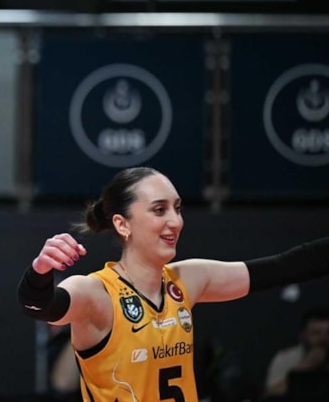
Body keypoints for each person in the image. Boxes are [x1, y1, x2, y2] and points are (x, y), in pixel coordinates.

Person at [17, 166, 329, 402]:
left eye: (177, 208)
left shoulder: (188, 279)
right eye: (159, 210)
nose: (176, 221)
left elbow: (285, 267)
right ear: (122, 224)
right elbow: (38, 306)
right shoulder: (97, 292)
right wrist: (40, 269)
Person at [264, 306, 329, 399]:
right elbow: (271, 394)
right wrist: (306, 366)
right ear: (303, 335)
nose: (323, 339)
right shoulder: (286, 358)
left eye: (328, 333)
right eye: (316, 333)